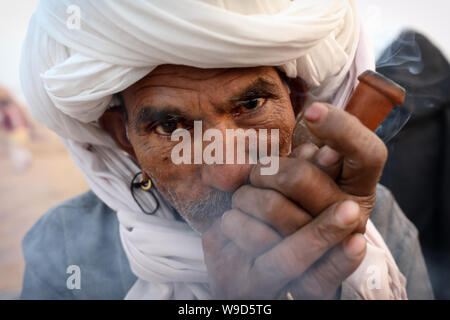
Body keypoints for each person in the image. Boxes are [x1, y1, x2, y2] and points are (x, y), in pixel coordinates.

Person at [19, 0, 433, 300]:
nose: (230, 170)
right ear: (123, 136)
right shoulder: (67, 242)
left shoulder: (377, 221)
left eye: (251, 105)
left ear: (297, 102)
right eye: (169, 126)